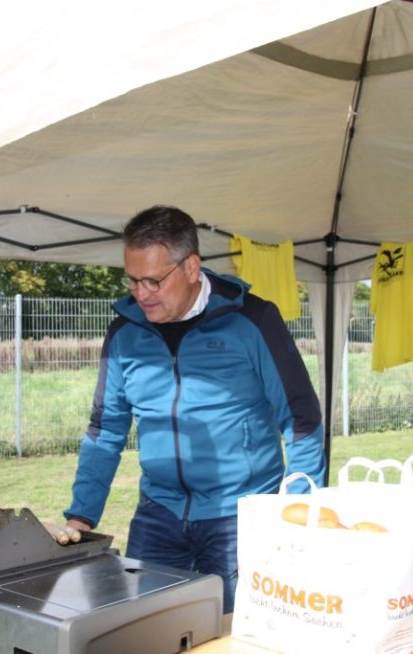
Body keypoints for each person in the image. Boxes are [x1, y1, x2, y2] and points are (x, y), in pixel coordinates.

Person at [62, 205, 324, 614]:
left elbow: (301, 419)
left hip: (240, 515)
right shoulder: (124, 333)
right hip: (158, 515)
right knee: (145, 629)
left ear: (191, 267)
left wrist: (299, 511)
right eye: (132, 279)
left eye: (153, 280)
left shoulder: (253, 320)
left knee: (238, 632)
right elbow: (105, 429)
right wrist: (81, 514)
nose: (141, 294)